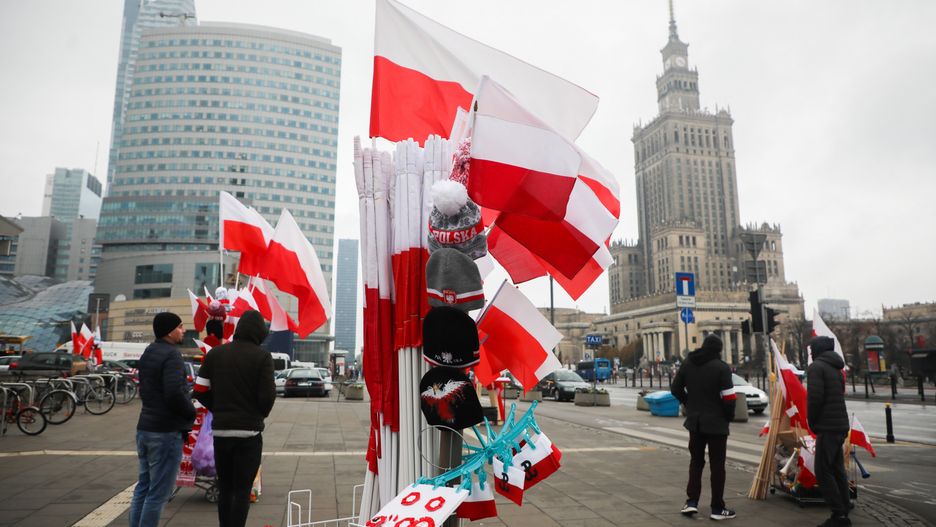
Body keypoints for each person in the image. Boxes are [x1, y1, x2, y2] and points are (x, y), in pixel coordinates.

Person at [194, 310, 275, 527]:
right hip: (249, 434)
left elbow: (199, 390)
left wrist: (218, 408)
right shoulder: (262, 357)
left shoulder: (215, 354)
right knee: (241, 491)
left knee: (226, 488)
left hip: (221, 432)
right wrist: (257, 413)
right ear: (260, 332)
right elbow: (267, 397)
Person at [130, 312, 196, 527]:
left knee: (143, 486)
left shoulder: (149, 352)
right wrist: (190, 412)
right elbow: (174, 393)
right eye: (180, 326)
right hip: (165, 431)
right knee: (158, 493)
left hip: (145, 427)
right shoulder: (172, 355)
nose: (183, 330)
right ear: (169, 331)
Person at [671, 334, 737, 521]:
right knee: (718, 466)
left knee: (696, 462)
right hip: (717, 424)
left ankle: (691, 502)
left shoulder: (688, 363)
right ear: (718, 350)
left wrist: (689, 404)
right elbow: (729, 398)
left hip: (696, 423)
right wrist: (728, 416)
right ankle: (717, 507)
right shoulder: (722, 368)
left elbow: (675, 389)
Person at [807, 336, 851, 527]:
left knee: (823, 471)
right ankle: (844, 508)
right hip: (840, 424)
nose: (810, 353)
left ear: (818, 349)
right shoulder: (837, 367)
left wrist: (813, 422)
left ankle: (839, 514)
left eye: (812, 349)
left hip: (828, 425)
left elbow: (815, 398)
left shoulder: (817, 367)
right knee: (837, 469)